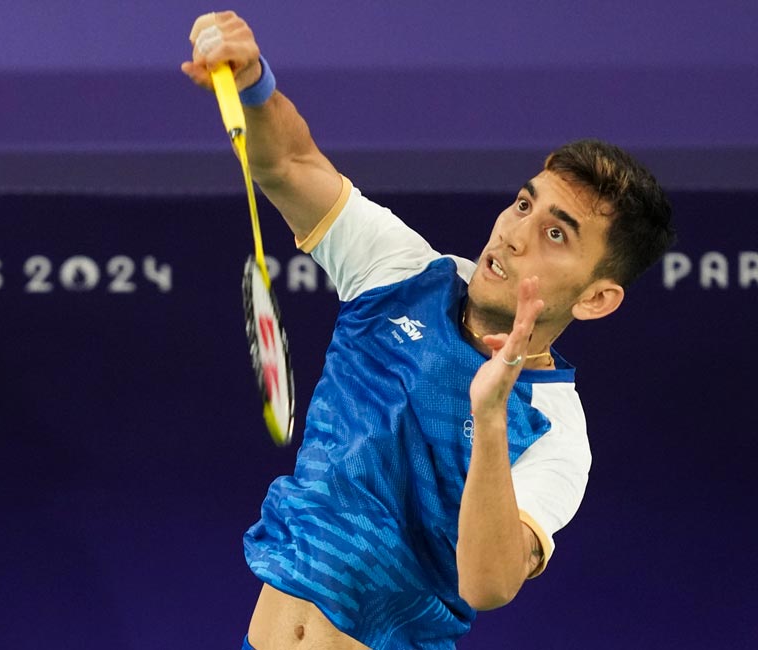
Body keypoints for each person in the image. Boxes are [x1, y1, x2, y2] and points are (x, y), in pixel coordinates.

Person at [181, 11, 675, 650]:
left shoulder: (556, 433)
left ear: (598, 298)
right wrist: (252, 82)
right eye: (524, 204)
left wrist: (491, 417)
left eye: (556, 233)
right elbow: (292, 163)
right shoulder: (401, 274)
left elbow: (488, 583)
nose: (514, 233)